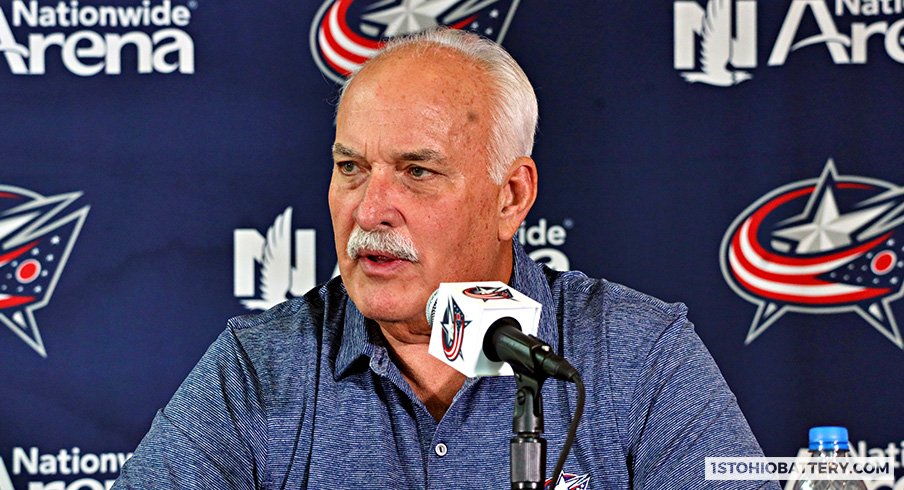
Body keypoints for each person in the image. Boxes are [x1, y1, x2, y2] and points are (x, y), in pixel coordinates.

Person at [113, 28, 777, 489]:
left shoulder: (639, 354)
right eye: (351, 167)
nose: (370, 210)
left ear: (511, 197)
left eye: (418, 172)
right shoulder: (259, 367)